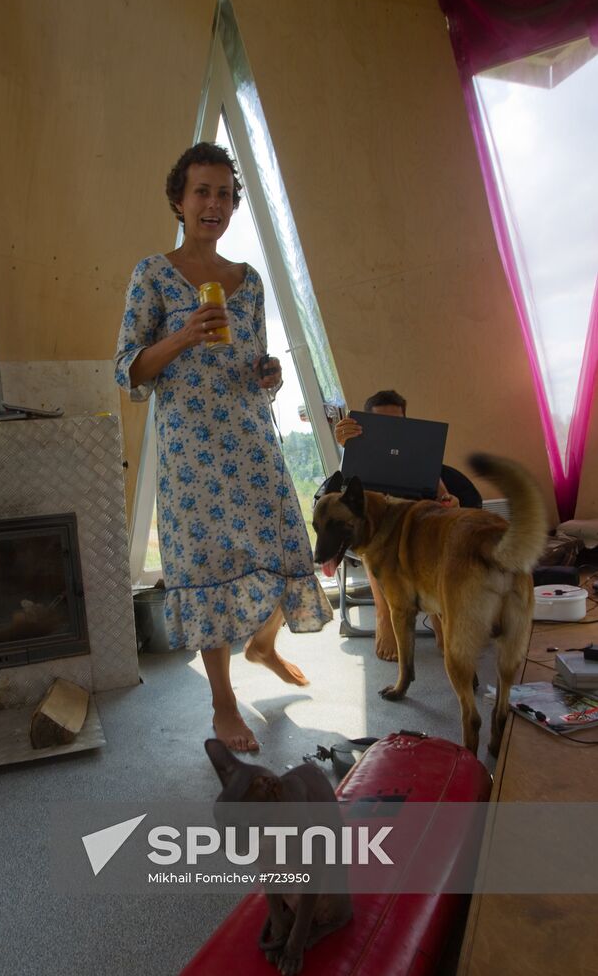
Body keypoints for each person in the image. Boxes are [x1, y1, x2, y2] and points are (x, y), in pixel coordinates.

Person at [115, 142, 332, 753]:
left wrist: (271, 374)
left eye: (225, 194)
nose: (214, 203)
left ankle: (262, 644)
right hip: (190, 453)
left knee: (283, 548)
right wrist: (183, 335)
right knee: (206, 567)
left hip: (250, 439)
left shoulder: (250, 280)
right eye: (202, 192)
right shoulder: (152, 274)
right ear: (179, 201)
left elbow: (256, 358)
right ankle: (223, 702)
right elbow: (128, 369)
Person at [333, 389, 460, 662]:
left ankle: (438, 612)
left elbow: (438, 487)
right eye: (382, 422)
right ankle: (385, 613)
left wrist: (448, 499)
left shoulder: (415, 446)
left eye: (396, 422)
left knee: (436, 529)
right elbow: (346, 490)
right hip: (377, 523)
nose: (390, 428)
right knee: (374, 538)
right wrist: (347, 445)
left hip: (415, 518)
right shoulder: (360, 446)